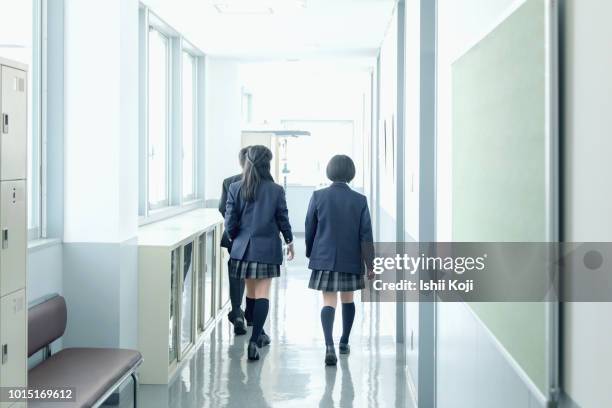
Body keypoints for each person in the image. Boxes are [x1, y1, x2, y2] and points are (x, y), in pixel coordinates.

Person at [225, 145, 295, 361]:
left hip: (242, 249)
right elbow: (283, 218)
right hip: (267, 248)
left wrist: (237, 238)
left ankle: (257, 333)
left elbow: (230, 223)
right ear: (267, 164)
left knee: (251, 293)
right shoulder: (275, 190)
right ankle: (255, 340)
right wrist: (290, 241)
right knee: (263, 293)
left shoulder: (235, 188)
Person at [305, 155, 374, 366]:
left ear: (329, 171)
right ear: (351, 174)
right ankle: (344, 342)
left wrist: (311, 252)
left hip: (324, 258)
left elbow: (310, 227)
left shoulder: (318, 196)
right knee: (348, 299)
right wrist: (370, 264)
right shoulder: (360, 200)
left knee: (328, 301)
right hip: (350, 258)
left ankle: (329, 346)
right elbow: (365, 235)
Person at [219, 147, 249, 335]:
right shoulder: (267, 183)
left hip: (235, 236)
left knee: (236, 271)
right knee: (254, 278)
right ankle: (250, 315)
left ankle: (237, 311)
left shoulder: (229, 182)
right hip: (256, 238)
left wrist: (233, 229)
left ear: (240, 162)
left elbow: (224, 209)